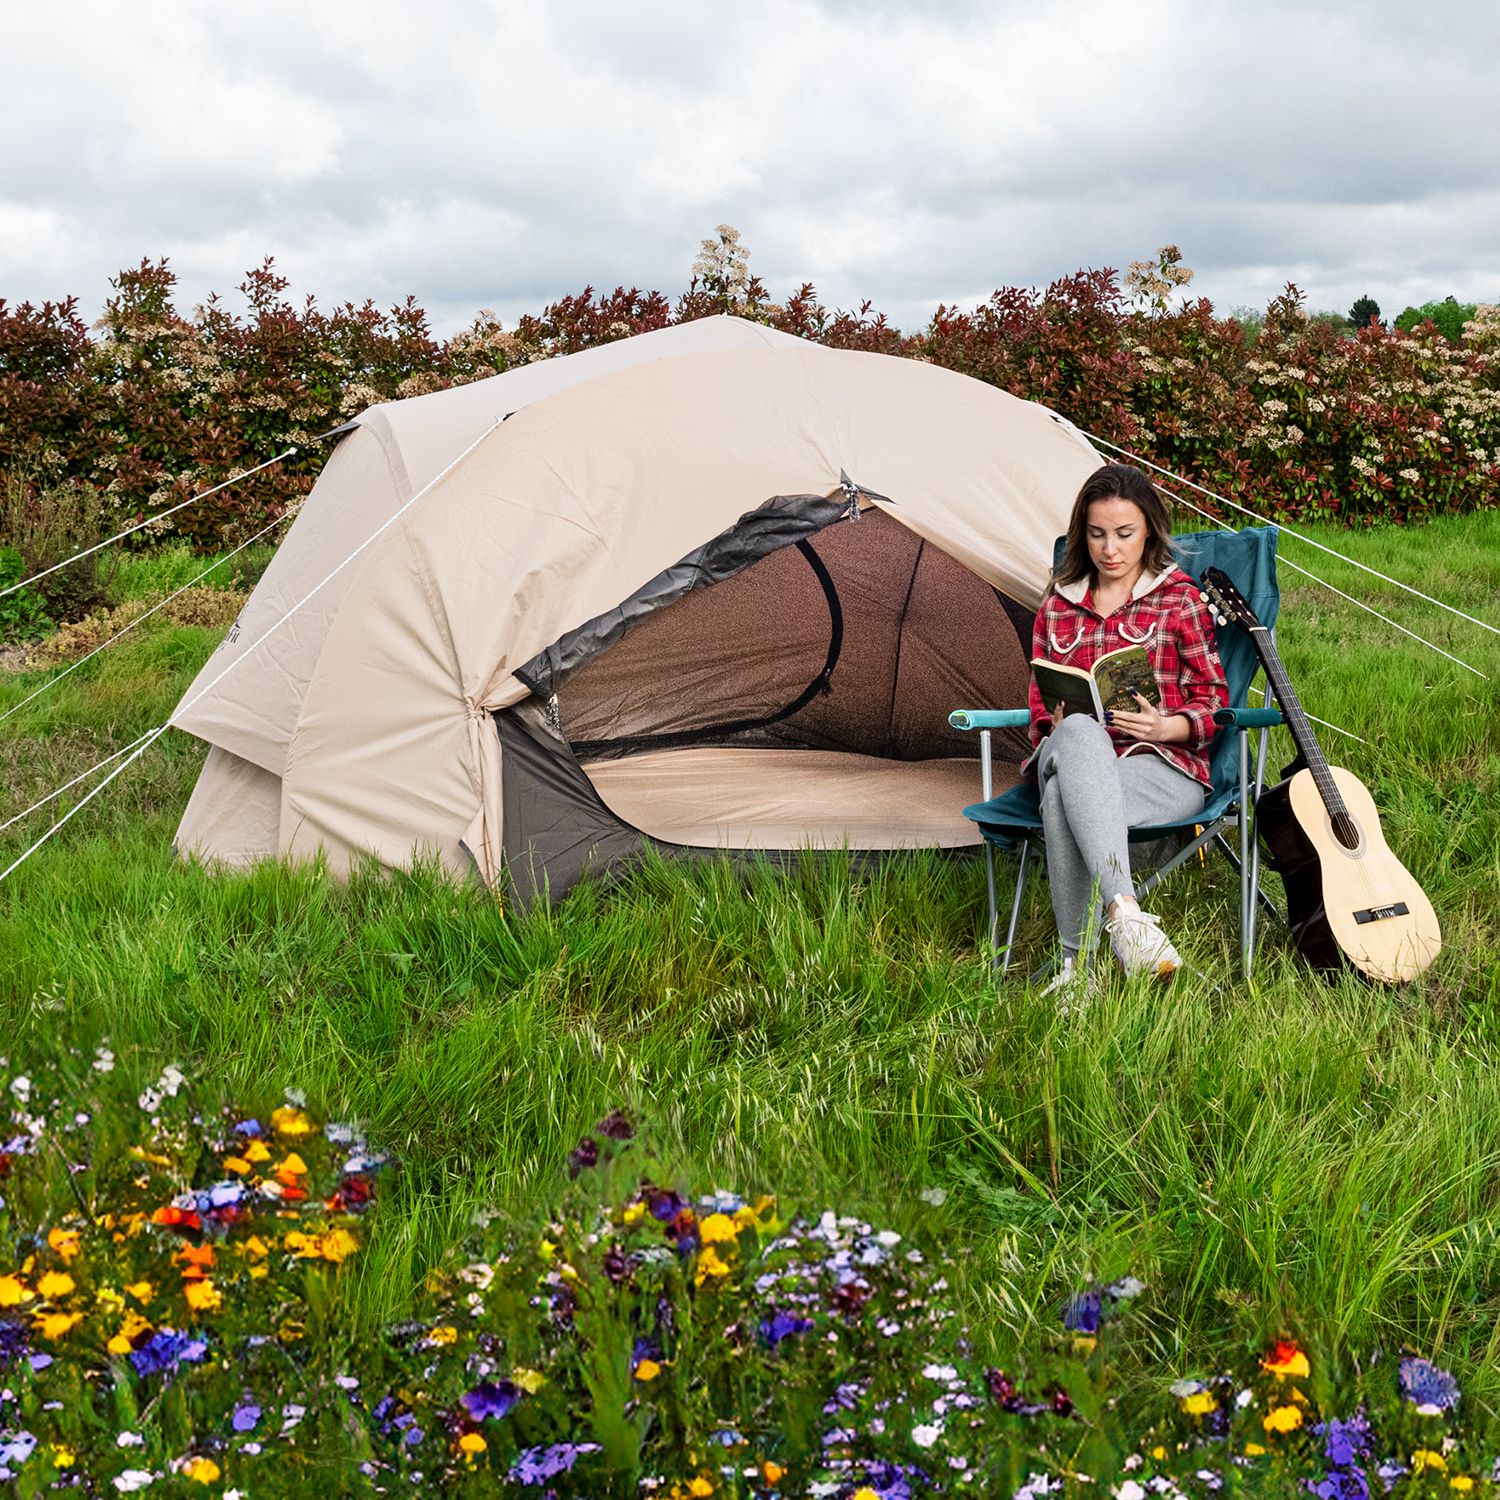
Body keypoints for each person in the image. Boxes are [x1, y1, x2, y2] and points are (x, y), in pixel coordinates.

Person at [1025, 463, 1228, 999]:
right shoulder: (1057, 607)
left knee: (1059, 799)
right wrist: (1057, 725)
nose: (1109, 549)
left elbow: (1214, 702)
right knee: (1078, 734)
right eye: (1096, 534)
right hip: (1074, 752)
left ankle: (1079, 972)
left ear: (1149, 531)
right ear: (1081, 534)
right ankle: (1127, 917)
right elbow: (1038, 710)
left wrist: (1168, 725)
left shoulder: (1180, 600)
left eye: (1124, 533)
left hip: (1161, 768)